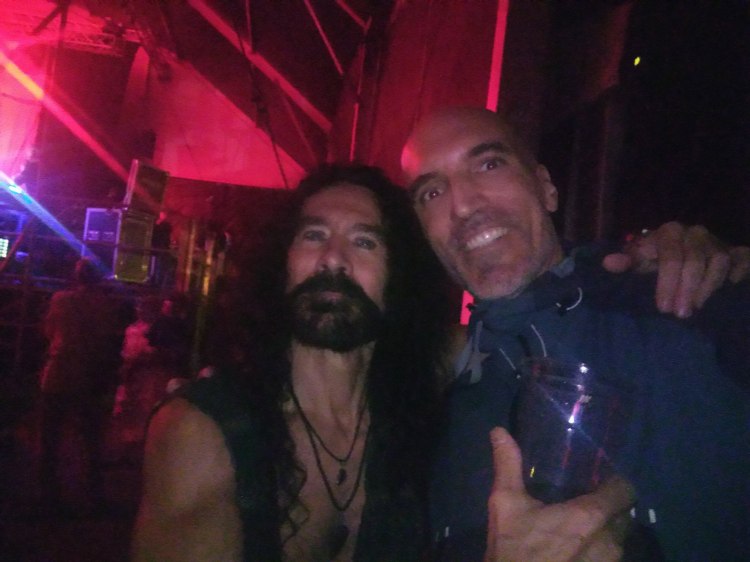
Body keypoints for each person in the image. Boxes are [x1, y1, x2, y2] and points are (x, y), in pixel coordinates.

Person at [400, 106, 750, 561]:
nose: (462, 205)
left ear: (546, 188)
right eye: (431, 192)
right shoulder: (427, 402)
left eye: (489, 164)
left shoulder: (685, 299)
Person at [131, 165, 452, 560]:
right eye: (314, 235)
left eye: (364, 241)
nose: (332, 259)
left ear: (398, 275)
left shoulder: (416, 416)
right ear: (281, 264)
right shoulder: (205, 431)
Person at [38, 257, 125, 509]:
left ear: (77, 276)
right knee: (91, 437)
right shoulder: (105, 305)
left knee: (50, 435)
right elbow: (108, 341)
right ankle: (93, 492)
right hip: (89, 375)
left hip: (59, 371)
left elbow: (48, 331)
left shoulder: (61, 300)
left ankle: (49, 493)